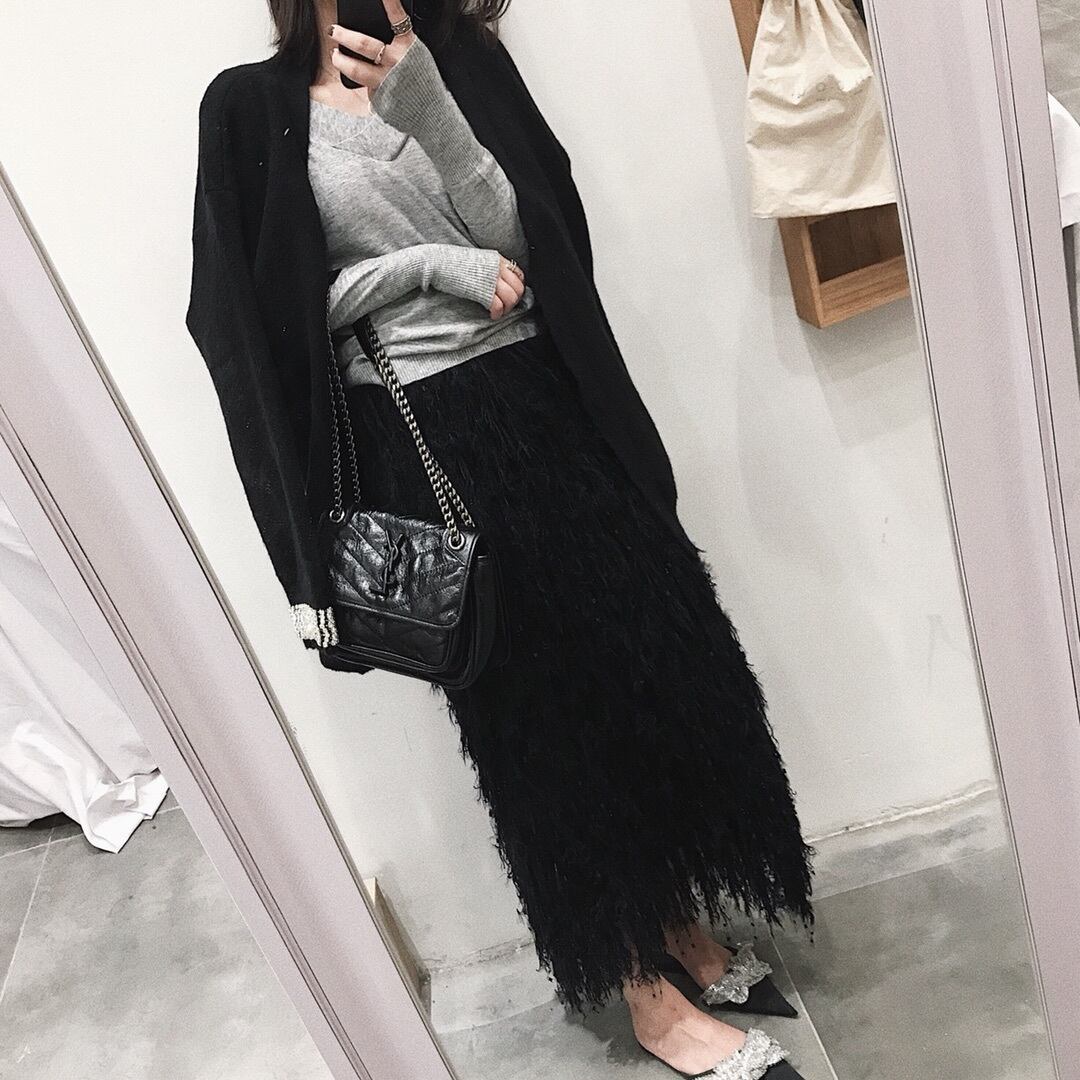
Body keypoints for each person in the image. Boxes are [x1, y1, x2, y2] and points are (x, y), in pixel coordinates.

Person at [186, 2, 814, 1076]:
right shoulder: (249, 108)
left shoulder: (462, 60)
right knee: (539, 720)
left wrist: (427, 100)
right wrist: (427, 269)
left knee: (654, 668)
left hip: (549, 404)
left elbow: (536, 241)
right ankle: (643, 990)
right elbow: (254, 317)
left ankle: (679, 923)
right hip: (423, 442)